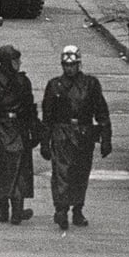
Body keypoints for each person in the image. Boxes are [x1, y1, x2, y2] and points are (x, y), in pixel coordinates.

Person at [40, 45, 112, 230]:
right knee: (61, 172)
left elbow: (101, 112)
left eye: (72, 65)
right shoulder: (54, 85)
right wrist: (44, 142)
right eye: (66, 65)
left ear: (79, 64)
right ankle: (61, 210)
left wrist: (106, 137)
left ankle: (78, 209)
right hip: (62, 133)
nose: (69, 68)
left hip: (84, 132)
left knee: (81, 172)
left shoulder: (91, 84)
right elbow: (47, 116)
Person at [0, 45, 40, 225]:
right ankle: (3, 208)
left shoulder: (23, 82)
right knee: (0, 171)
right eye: (15, 60)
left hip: (18, 128)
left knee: (20, 171)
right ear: (6, 62)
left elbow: (29, 108)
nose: (19, 63)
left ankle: (17, 210)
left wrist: (35, 130)